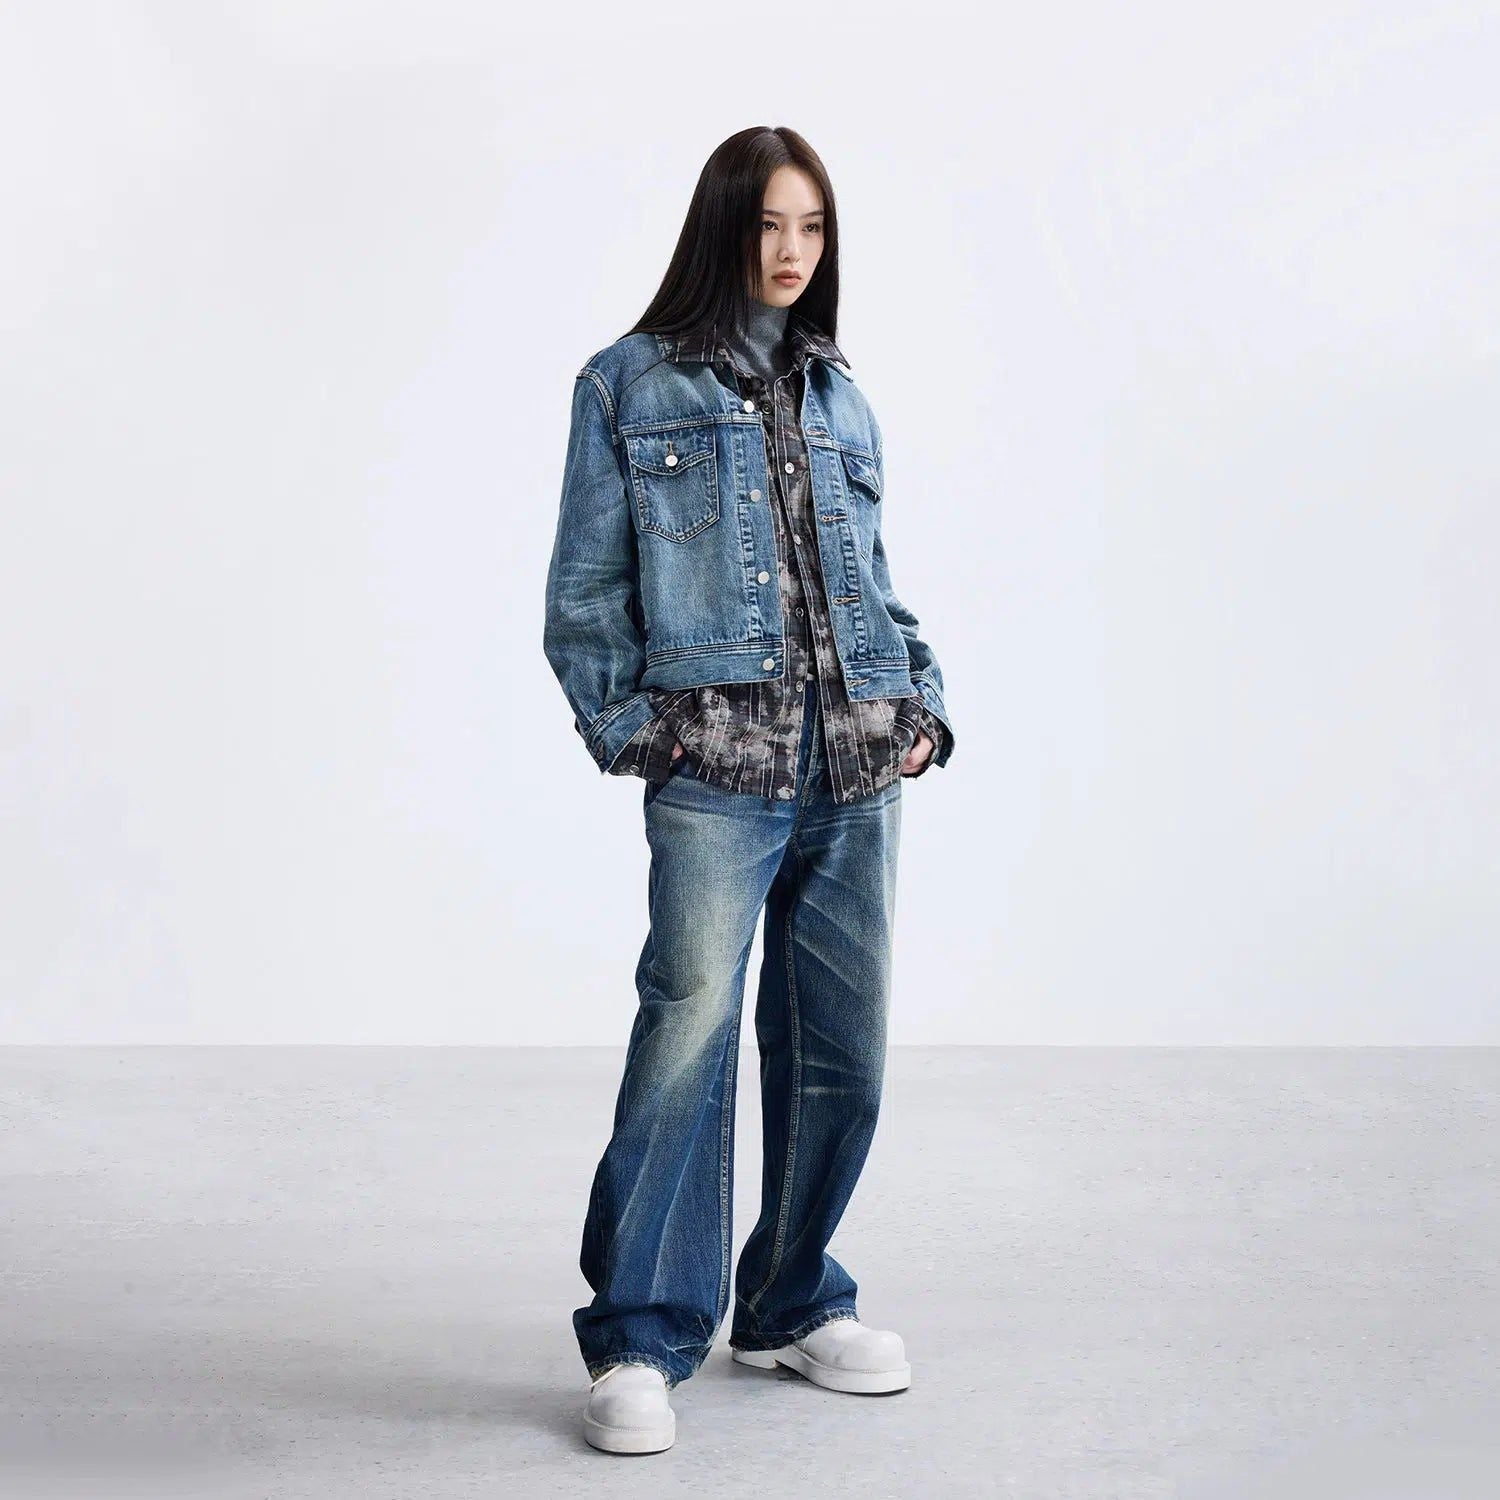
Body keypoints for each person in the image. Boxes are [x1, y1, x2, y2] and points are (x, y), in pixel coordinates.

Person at [542, 125, 956, 1455]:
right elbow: (584, 592)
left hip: (856, 771)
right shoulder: (626, 384)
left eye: (812, 228)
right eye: (770, 224)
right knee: (688, 1038)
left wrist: (920, 707)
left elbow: (873, 587)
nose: (791, 252)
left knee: (844, 1051)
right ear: (722, 227)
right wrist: (638, 731)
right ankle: (640, 1335)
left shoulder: (843, 397)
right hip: (717, 777)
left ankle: (788, 1301)